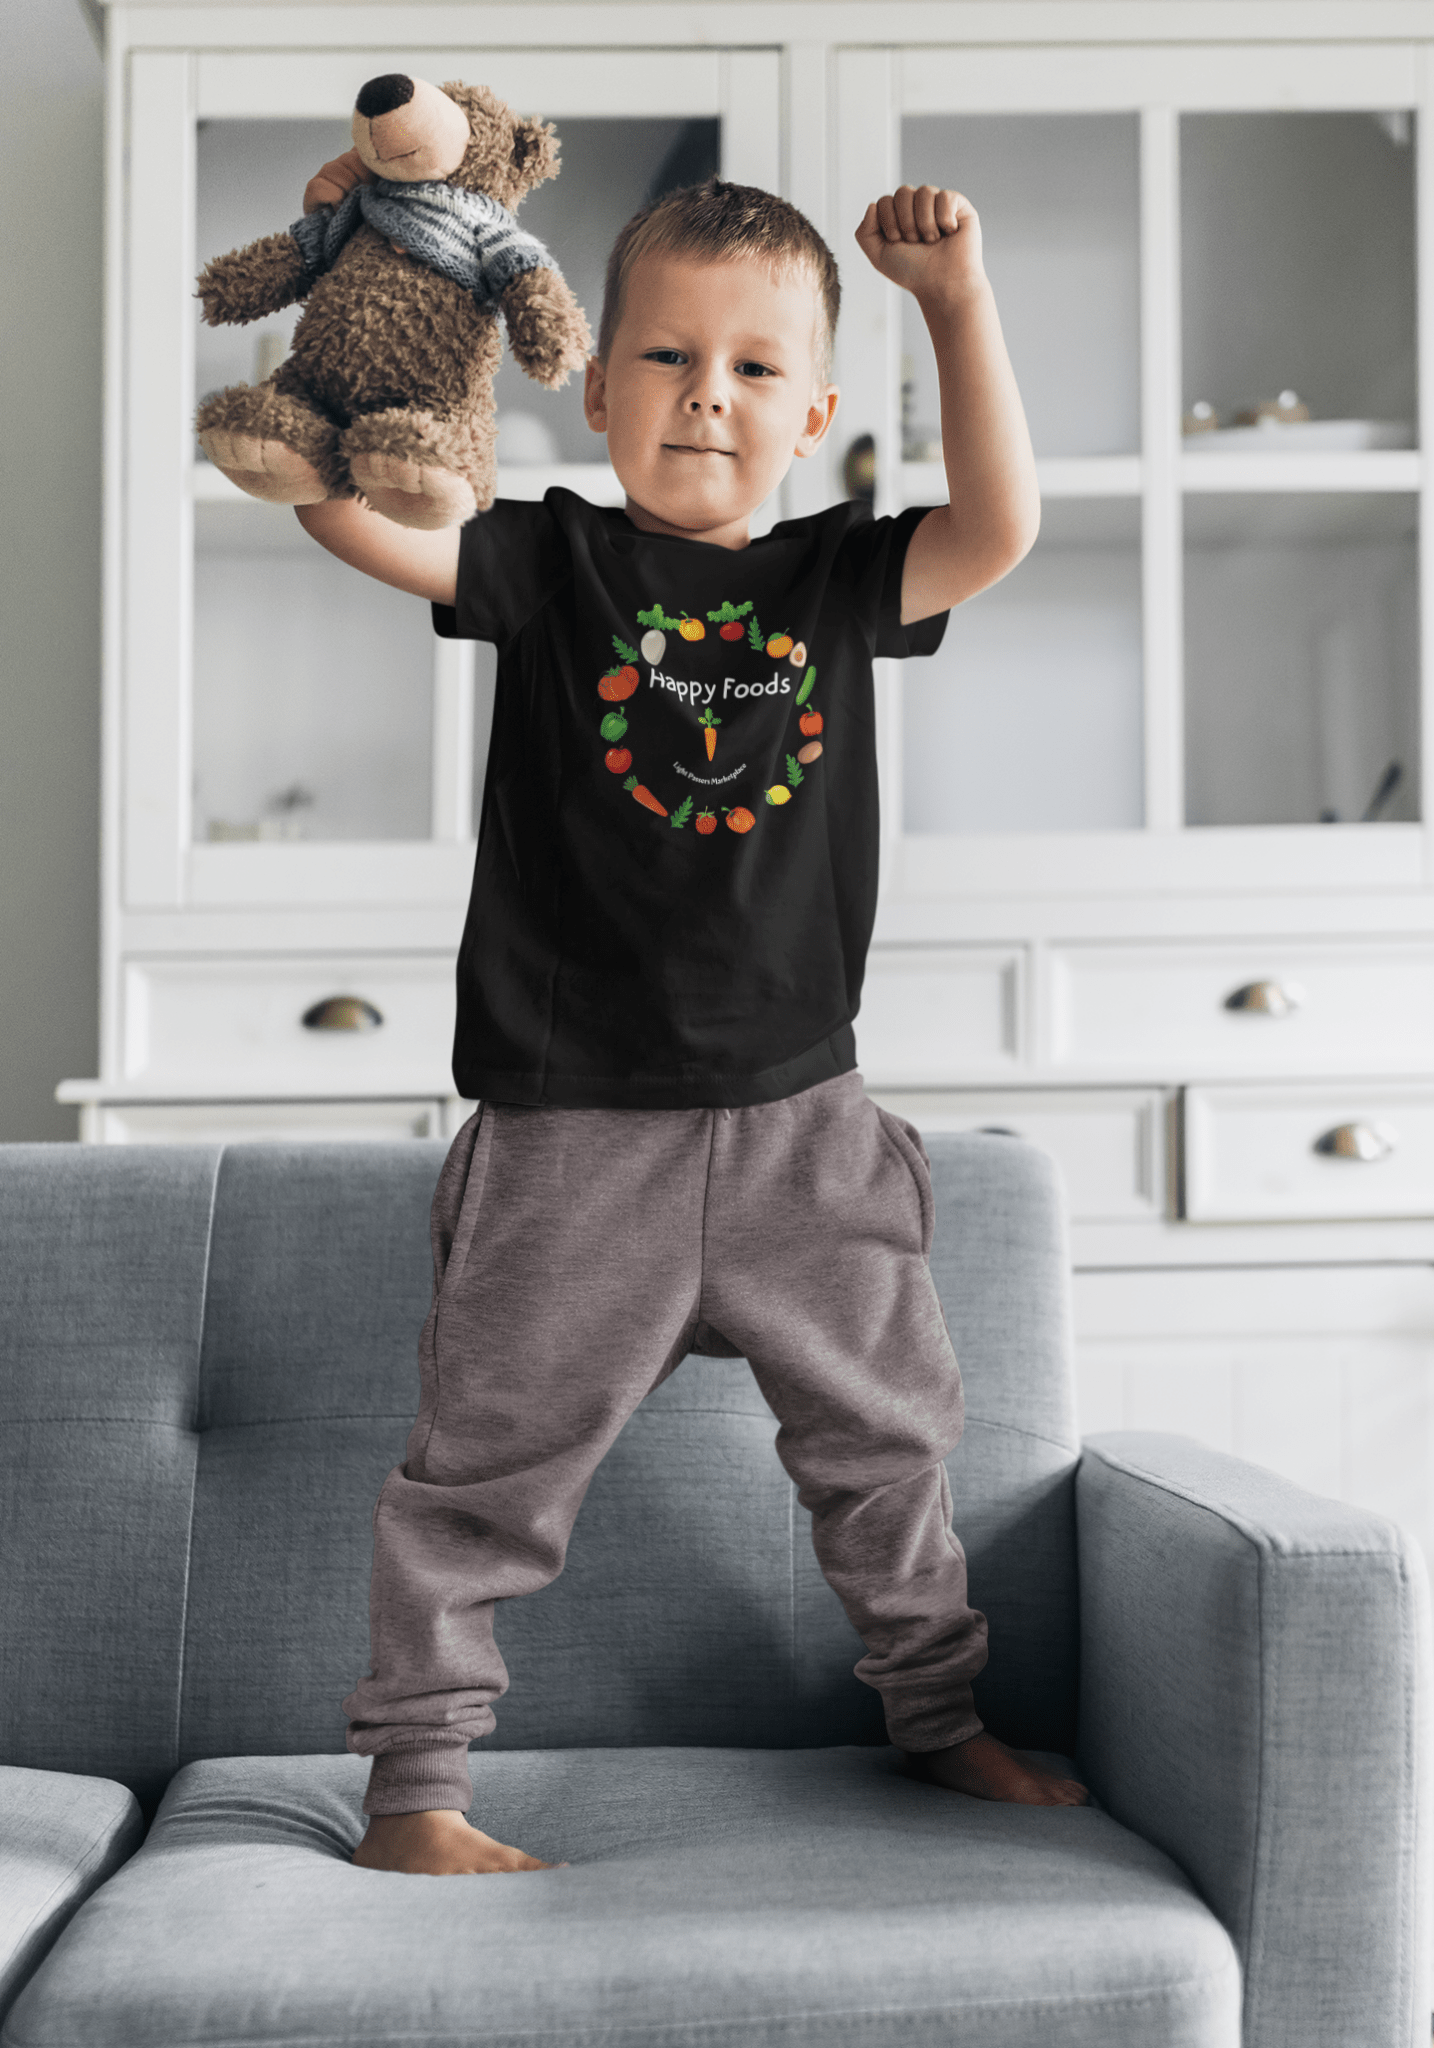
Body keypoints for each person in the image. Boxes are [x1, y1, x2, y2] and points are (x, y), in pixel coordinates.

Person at [294, 169, 1088, 1878]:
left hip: (805, 1118)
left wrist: (954, 304)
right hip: (571, 1126)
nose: (702, 396)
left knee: (888, 1449)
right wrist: (356, 330)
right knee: (485, 1469)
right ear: (595, 392)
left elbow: (1001, 526)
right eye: (662, 357)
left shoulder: (836, 583)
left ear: (809, 411)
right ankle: (415, 1790)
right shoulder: (549, 559)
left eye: (745, 369)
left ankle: (939, 1720)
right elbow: (369, 529)